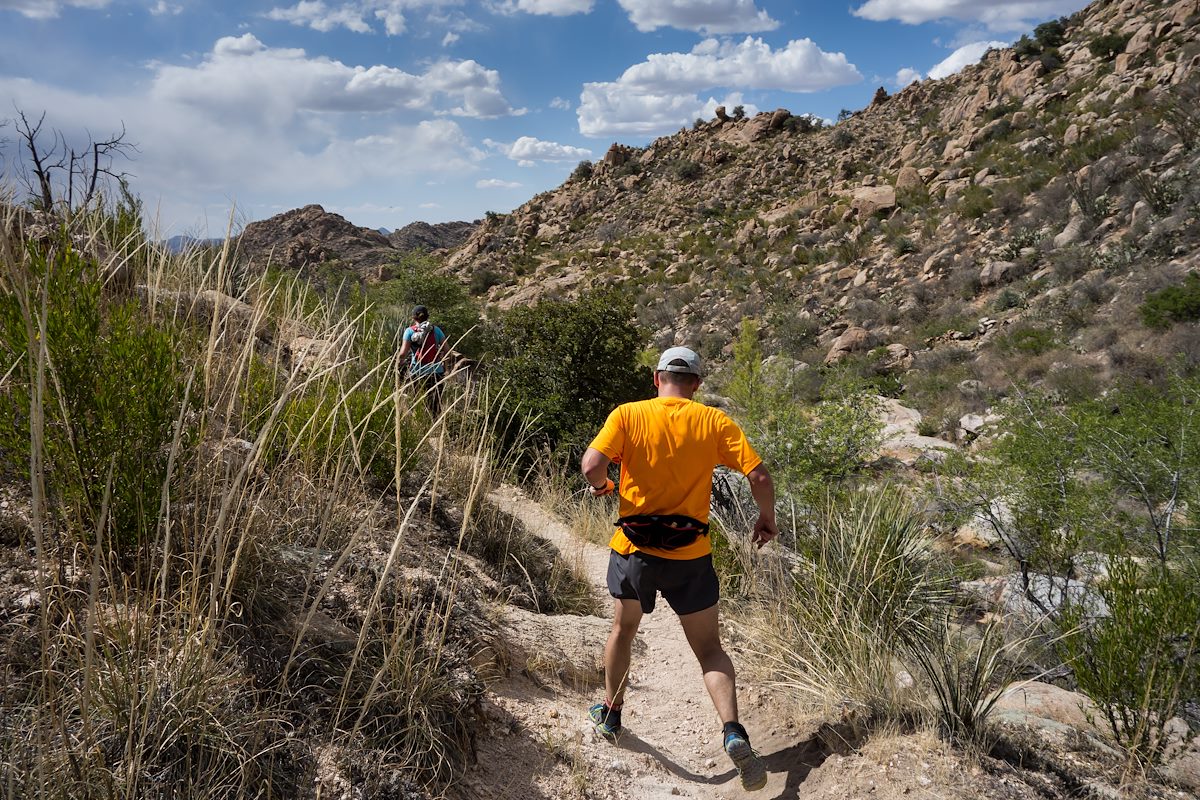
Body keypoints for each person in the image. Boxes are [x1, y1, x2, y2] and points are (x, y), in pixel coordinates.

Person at [580, 345, 778, 792]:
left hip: (633, 550)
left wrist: (606, 485)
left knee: (623, 630)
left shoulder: (629, 414)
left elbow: (592, 464)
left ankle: (611, 714)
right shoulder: (714, 421)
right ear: (697, 385)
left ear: (657, 378)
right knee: (709, 649)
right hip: (690, 555)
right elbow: (760, 478)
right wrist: (766, 519)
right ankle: (732, 731)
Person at [397, 305, 447, 416]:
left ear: (413, 318)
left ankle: (418, 425)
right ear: (427, 317)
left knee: (415, 402)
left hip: (416, 372)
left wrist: (398, 364)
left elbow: (403, 354)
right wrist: (445, 366)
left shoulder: (409, 331)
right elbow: (447, 350)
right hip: (436, 372)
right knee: (435, 405)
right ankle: (436, 427)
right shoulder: (436, 330)